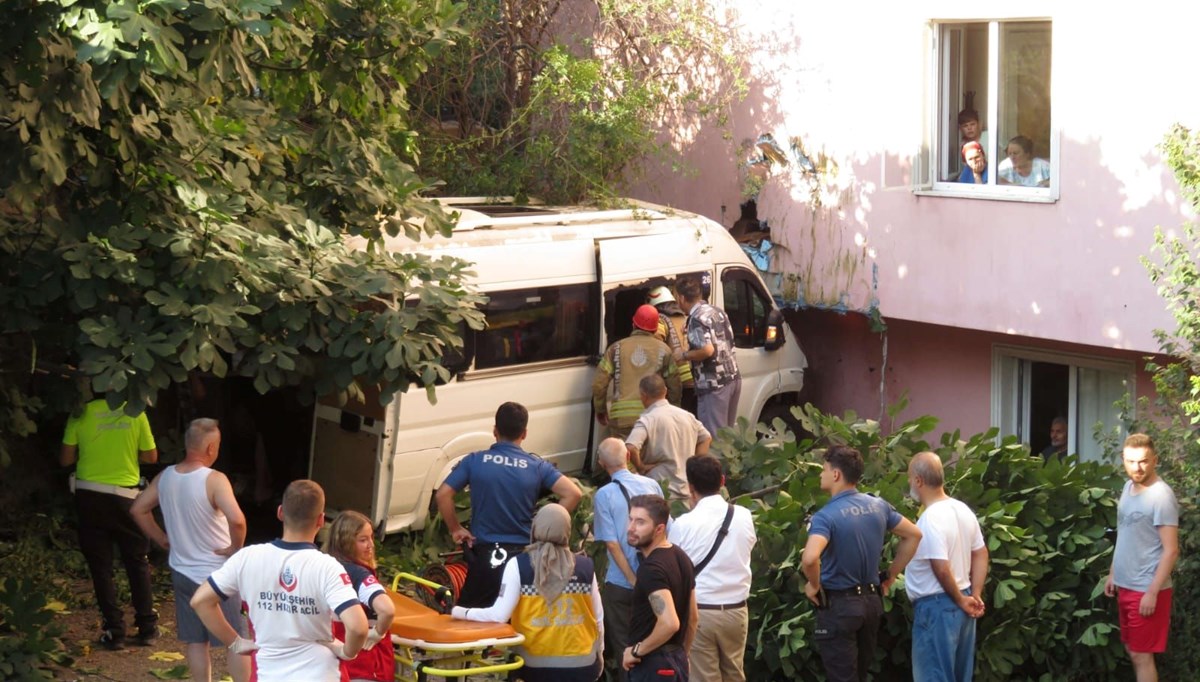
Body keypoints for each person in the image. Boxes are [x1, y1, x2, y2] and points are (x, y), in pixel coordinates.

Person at [191, 480, 369, 682]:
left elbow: (200, 601)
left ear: (280, 512)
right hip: (322, 673)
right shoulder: (328, 567)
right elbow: (358, 627)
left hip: (269, 673)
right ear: (321, 520)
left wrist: (235, 642)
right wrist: (348, 652)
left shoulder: (247, 558)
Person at [130, 418, 250, 682]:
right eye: (217, 445)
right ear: (210, 448)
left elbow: (138, 508)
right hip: (217, 576)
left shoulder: (166, 477)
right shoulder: (215, 480)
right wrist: (235, 550)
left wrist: (161, 537)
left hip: (182, 572)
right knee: (237, 642)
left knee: (196, 642)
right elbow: (238, 520)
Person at [434, 402, 583, 607]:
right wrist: (542, 529)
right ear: (524, 433)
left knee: (469, 620)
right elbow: (573, 493)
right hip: (524, 559)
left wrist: (455, 529)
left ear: (495, 431)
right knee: (518, 619)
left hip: (486, 558)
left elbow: (443, 495)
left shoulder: (475, 460)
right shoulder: (537, 466)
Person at [800, 445, 922, 682]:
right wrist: (891, 575)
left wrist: (813, 585)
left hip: (840, 606)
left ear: (836, 474)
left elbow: (810, 557)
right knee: (860, 673)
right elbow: (914, 535)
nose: (821, 474)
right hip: (871, 604)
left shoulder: (826, 516)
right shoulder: (878, 506)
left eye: (824, 469)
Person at [453, 503, 604, 682]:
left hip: (533, 668)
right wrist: (599, 655)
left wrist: (461, 611)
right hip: (583, 667)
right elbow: (599, 620)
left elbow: (498, 615)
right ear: (567, 531)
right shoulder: (586, 567)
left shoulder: (519, 565)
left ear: (535, 528)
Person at [60, 397, 160, 650]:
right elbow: (150, 457)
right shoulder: (135, 411)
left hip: (89, 497)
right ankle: (147, 627)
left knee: (100, 566)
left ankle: (114, 631)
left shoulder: (80, 411)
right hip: (126, 497)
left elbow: (65, 459)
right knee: (137, 561)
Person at [668, 455, 756, 682]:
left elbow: (676, 572)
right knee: (735, 674)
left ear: (690, 487)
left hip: (701, 611)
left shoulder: (683, 524)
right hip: (737, 611)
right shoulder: (744, 516)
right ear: (723, 481)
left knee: (704, 677)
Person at [904, 451, 989, 682]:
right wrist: (975, 594)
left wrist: (962, 600)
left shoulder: (931, 518)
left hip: (937, 607)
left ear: (919, 480)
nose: (910, 482)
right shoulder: (962, 510)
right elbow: (981, 553)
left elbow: (940, 567)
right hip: (963, 602)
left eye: (910, 478)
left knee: (934, 676)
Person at [1104, 434, 1180, 682]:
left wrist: (1152, 592)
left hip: (1146, 588)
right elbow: (1124, 534)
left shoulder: (1161, 496)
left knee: (1141, 655)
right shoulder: (1127, 488)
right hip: (1125, 584)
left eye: (1144, 461)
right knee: (1133, 650)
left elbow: (1171, 550)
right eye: (1131, 461)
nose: (1137, 468)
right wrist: (1114, 572)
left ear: (1155, 460)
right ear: (1122, 460)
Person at [592, 437, 664, 681]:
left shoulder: (604, 495)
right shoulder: (653, 486)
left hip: (621, 586)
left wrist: (634, 581)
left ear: (602, 463)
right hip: (656, 582)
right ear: (629, 457)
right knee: (654, 645)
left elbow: (612, 544)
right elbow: (665, 532)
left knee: (626, 648)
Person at [623, 495, 697, 681]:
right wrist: (681, 655)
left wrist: (636, 651)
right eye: (630, 519)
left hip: (653, 665)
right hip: (674, 659)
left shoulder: (651, 569)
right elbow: (693, 618)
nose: (631, 528)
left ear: (659, 529)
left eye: (640, 522)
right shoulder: (681, 556)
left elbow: (670, 623)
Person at [323, 511, 396, 682]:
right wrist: (378, 632)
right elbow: (387, 610)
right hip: (366, 665)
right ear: (345, 543)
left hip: (333, 664)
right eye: (363, 540)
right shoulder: (359, 575)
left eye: (371, 538)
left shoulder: (323, 568)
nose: (371, 544)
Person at [593, 304, 682, 440]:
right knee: (648, 459)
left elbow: (599, 384)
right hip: (653, 417)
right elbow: (674, 386)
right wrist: (673, 412)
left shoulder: (616, 348)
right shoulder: (664, 350)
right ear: (655, 329)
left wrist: (600, 409)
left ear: (633, 324)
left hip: (622, 420)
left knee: (624, 458)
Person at [626, 374, 712, 501]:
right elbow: (706, 438)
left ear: (643, 396)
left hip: (660, 491)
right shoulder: (687, 416)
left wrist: (641, 467)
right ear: (665, 391)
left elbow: (631, 447)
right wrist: (695, 465)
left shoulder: (648, 419)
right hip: (687, 490)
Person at [674, 277, 741, 438]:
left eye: (675, 297)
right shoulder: (716, 311)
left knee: (714, 439)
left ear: (682, 298)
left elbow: (707, 350)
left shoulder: (696, 319)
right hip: (733, 379)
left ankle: (716, 464)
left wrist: (682, 355)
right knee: (727, 438)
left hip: (714, 384)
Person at [647, 286, 697, 414]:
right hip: (694, 377)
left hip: (676, 379)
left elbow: (654, 346)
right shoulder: (685, 317)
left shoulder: (660, 320)